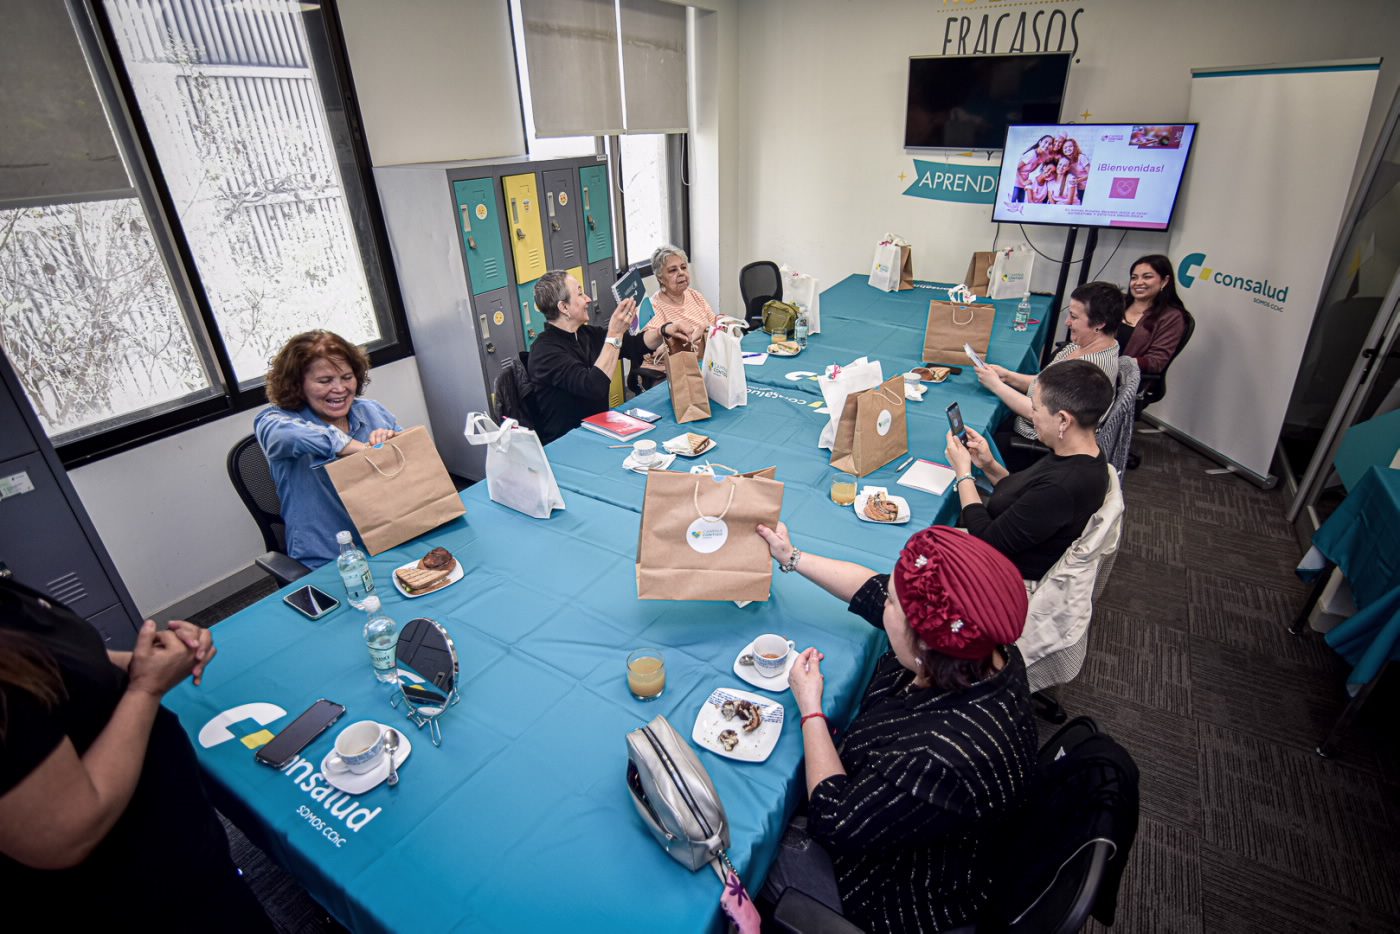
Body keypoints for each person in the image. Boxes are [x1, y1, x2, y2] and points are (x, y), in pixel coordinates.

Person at [754, 524, 1038, 933]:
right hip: (925, 833)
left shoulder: (939, 753)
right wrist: (791, 557)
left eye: (892, 602)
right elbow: (871, 591)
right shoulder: (981, 649)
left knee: (749, 849)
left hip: (895, 891)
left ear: (924, 642)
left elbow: (833, 818)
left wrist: (811, 709)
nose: (883, 598)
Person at [0, 577, 274, 931]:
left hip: (178, 848)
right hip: (129, 897)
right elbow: (63, 835)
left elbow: (66, 667)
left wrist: (152, 661)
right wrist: (146, 688)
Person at [947, 359, 1115, 580]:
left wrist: (963, 474)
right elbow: (1025, 495)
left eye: (1035, 408)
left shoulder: (1062, 486)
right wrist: (989, 465)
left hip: (1004, 574)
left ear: (1063, 420)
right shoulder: (1080, 453)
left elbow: (987, 541)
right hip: (1006, 546)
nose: (1031, 415)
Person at [254, 330, 401, 568]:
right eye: (324, 381)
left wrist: (392, 443)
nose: (340, 388)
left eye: (347, 377)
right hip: (330, 556)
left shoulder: (371, 411)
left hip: (391, 535)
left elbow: (413, 461)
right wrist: (356, 447)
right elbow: (287, 436)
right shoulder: (274, 422)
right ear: (297, 385)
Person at [529, 269, 701, 444]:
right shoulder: (545, 352)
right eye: (580, 294)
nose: (588, 299)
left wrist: (663, 330)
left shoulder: (585, 334)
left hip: (598, 429)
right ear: (564, 307)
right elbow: (594, 386)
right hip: (569, 441)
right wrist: (615, 333)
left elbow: (633, 345)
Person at [977, 280, 1123, 471]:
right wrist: (1007, 376)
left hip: (1037, 440)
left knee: (977, 436)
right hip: (1033, 424)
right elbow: (1045, 383)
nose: (1067, 322)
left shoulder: (1089, 371)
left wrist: (996, 385)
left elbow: (1043, 415)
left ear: (1099, 324)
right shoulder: (1085, 345)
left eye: (1074, 317)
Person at [1119, 254, 1189, 375]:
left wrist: (1116, 364)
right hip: (1093, 369)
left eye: (1147, 277)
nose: (1138, 282)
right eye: (1134, 278)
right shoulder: (1117, 303)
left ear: (1165, 281)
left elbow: (1156, 362)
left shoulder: (1172, 317)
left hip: (1125, 379)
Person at [1012, 135, 1053, 202]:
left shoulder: (1040, 156)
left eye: (1049, 144)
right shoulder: (1031, 154)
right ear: (1040, 142)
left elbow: (1032, 169)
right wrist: (1023, 181)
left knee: (1020, 203)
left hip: (1024, 184)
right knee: (1012, 202)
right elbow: (1015, 168)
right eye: (1045, 142)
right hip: (1017, 182)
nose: (1047, 145)